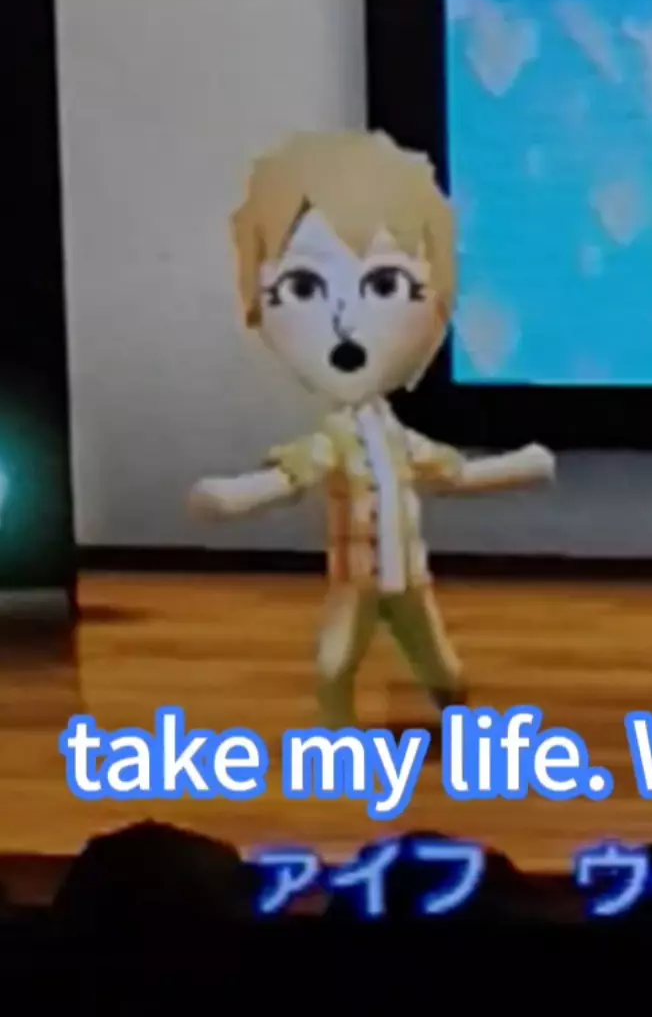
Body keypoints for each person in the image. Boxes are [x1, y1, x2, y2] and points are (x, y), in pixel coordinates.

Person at [188, 131, 555, 726]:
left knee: (443, 667)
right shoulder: (333, 441)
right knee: (333, 667)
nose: (346, 323)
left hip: (410, 583)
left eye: (385, 286)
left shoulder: (398, 437)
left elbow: (454, 474)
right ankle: (338, 742)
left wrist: (522, 466)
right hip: (354, 586)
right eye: (304, 288)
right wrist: (233, 496)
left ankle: (459, 718)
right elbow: (288, 479)